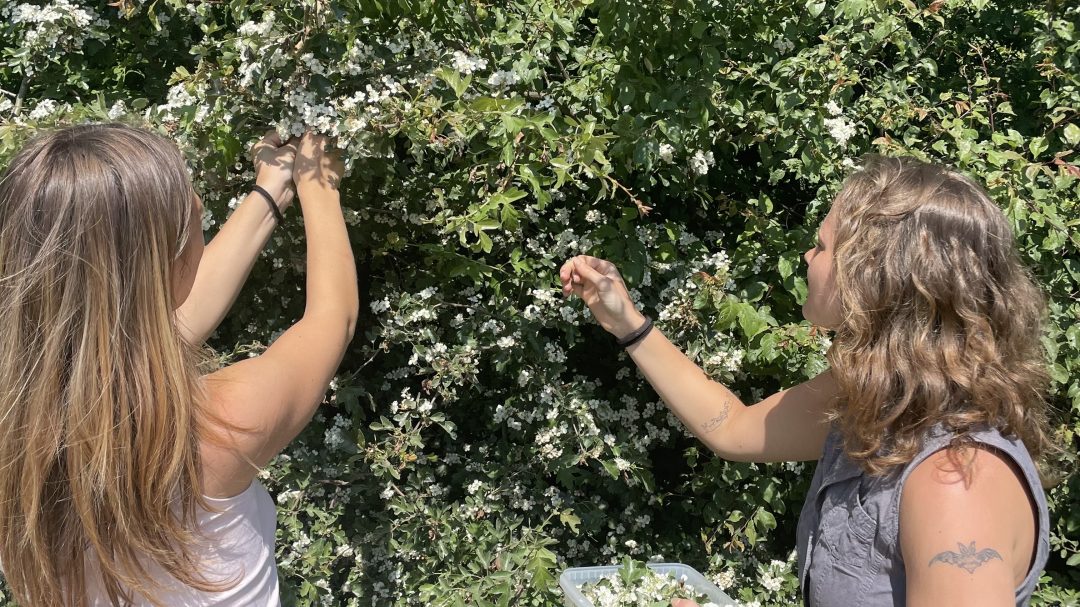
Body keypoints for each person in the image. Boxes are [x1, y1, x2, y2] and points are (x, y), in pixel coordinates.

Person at [560, 155, 1053, 607]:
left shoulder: (955, 480)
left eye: (821, 245)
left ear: (872, 275)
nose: (807, 257)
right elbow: (733, 428)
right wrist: (628, 323)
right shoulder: (874, 398)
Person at [0, 123, 358, 606]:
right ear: (163, 265)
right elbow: (332, 320)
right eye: (193, 221)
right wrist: (319, 184)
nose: (200, 208)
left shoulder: (18, 415)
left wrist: (272, 188)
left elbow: (148, 329)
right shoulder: (219, 425)